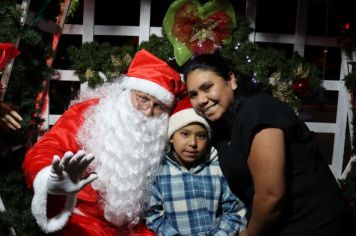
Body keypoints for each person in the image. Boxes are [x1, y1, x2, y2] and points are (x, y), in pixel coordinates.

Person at [183, 53, 354, 236]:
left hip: (314, 225)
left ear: (231, 80)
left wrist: (249, 234)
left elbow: (271, 195)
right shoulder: (223, 127)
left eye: (207, 87)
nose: (201, 100)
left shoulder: (258, 110)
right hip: (279, 227)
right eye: (193, 94)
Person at [22, 49, 186, 235]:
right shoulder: (92, 113)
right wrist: (50, 179)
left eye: (159, 106)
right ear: (128, 91)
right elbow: (44, 150)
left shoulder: (165, 132)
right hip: (81, 220)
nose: (147, 112)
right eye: (143, 99)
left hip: (132, 227)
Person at [144, 96, 247, 236]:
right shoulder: (158, 171)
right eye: (185, 134)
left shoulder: (217, 167)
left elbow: (235, 210)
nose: (193, 143)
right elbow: (153, 215)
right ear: (172, 137)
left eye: (201, 136)